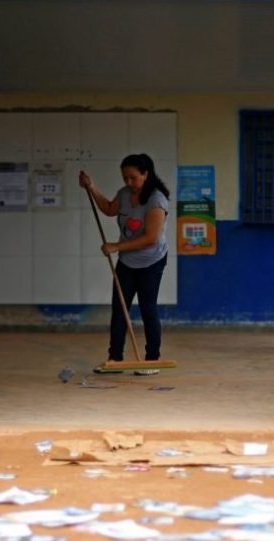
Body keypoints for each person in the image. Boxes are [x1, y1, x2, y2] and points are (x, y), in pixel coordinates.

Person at [78, 153, 170, 375]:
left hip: (152, 260)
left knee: (148, 308)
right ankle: (115, 359)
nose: (128, 183)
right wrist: (91, 188)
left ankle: (151, 360)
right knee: (119, 309)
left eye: (133, 178)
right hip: (127, 261)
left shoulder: (156, 200)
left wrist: (116, 246)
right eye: (125, 178)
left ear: (145, 175)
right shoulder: (125, 194)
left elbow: (150, 238)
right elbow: (110, 209)